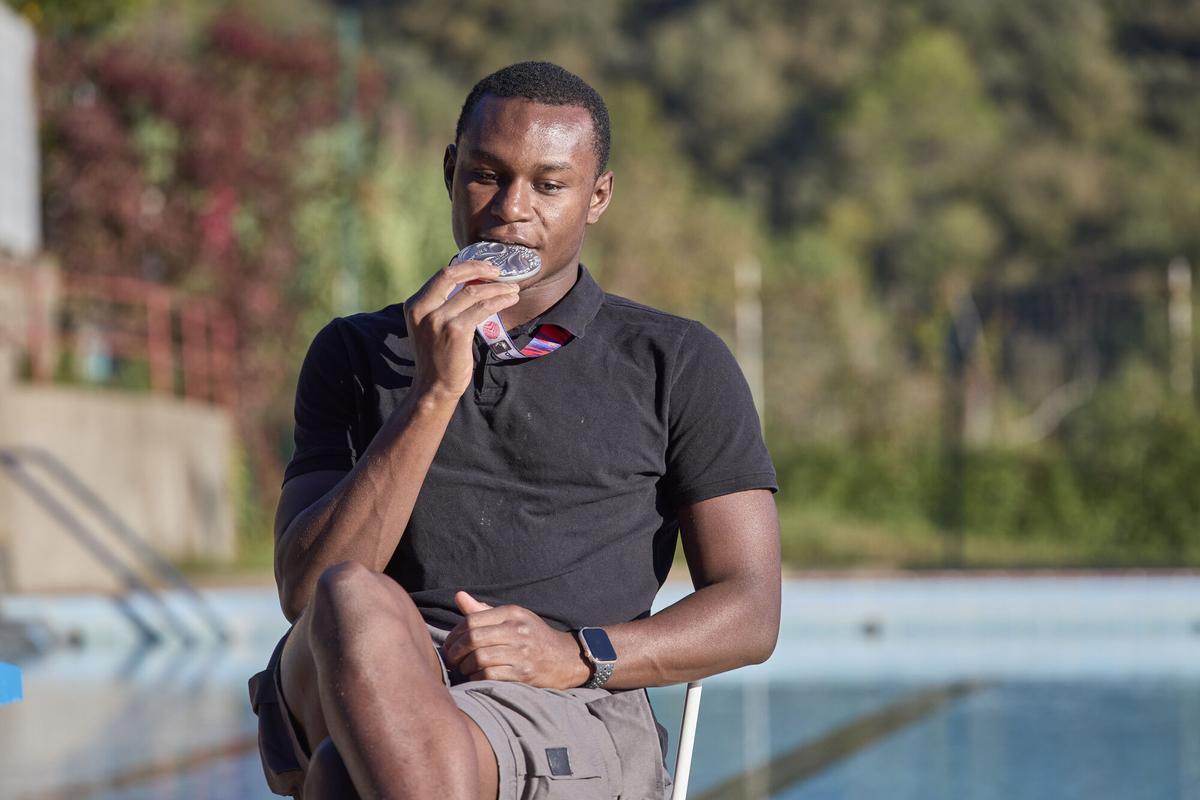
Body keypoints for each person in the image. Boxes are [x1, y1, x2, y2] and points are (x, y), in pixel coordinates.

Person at [248, 61, 781, 800]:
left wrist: (576, 653)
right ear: (449, 172)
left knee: (344, 775)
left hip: (566, 699)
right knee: (348, 597)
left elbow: (751, 611)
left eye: (549, 185)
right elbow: (306, 593)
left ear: (597, 197)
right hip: (362, 668)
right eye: (486, 176)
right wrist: (433, 391)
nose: (511, 209)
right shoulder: (356, 353)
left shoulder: (676, 360)